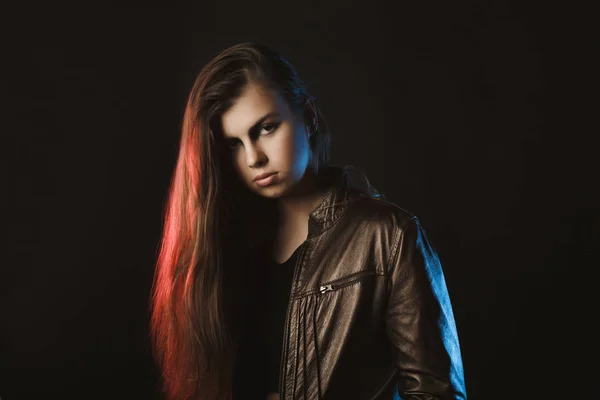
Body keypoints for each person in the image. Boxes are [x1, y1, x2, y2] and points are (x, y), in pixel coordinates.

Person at [149, 42, 467, 400]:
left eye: (266, 128)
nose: (254, 158)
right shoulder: (227, 248)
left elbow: (437, 393)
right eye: (233, 144)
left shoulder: (389, 237)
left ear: (309, 116)